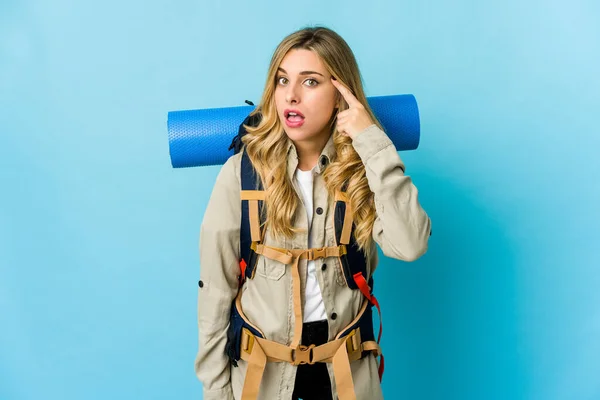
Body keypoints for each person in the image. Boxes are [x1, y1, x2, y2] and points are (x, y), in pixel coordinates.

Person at [194, 26, 431, 400]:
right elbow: (216, 291)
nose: (291, 95)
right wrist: (216, 390)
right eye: (283, 80)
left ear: (341, 94)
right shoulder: (242, 173)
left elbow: (411, 244)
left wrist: (371, 141)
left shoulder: (362, 172)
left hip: (348, 378)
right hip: (262, 380)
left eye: (310, 82)